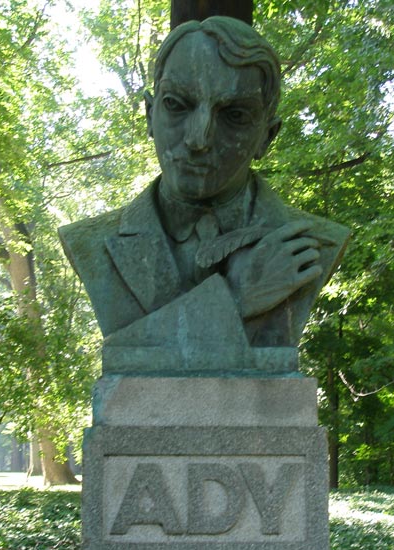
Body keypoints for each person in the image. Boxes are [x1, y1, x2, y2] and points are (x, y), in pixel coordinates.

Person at [59, 17, 349, 374]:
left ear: (267, 137)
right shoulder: (91, 244)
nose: (199, 139)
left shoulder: (314, 243)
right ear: (150, 115)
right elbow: (124, 358)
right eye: (177, 105)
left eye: (235, 115)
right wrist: (234, 298)